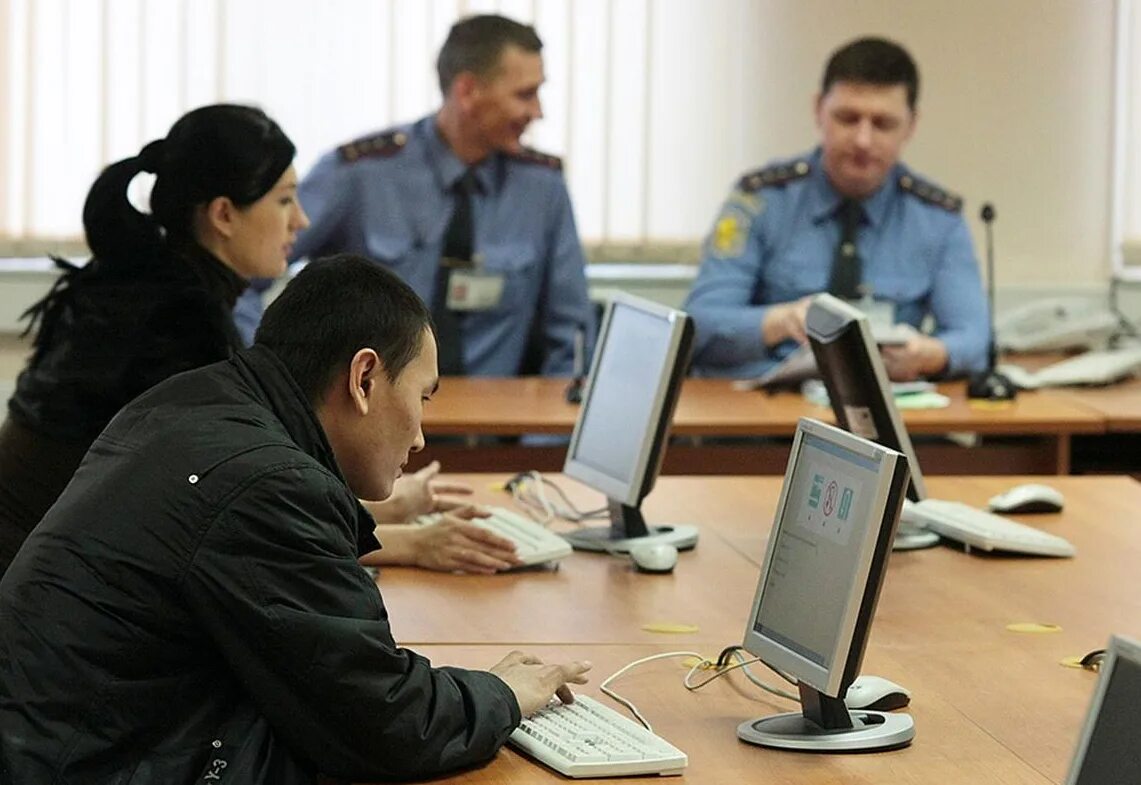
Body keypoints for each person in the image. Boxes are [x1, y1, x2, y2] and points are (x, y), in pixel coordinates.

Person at [0, 255, 592, 783]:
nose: (419, 435)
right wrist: (504, 694)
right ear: (363, 379)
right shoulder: (274, 485)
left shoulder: (189, 401)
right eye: (423, 397)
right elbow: (388, 720)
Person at [0, 104, 307, 577]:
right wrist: (396, 538)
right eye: (284, 201)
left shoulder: (143, 286)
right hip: (39, 587)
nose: (301, 222)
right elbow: (220, 516)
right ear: (224, 214)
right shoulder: (179, 327)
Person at [235, 13, 596, 377]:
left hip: (497, 428)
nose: (537, 112)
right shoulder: (359, 174)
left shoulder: (542, 188)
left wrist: (547, 433)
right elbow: (240, 277)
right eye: (524, 95)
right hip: (365, 424)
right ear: (468, 91)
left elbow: (571, 336)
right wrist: (270, 384)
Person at [684, 36, 988, 382]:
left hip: (884, 422)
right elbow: (700, 324)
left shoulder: (937, 218)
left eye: (882, 124)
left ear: (911, 125)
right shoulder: (760, 200)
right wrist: (781, 321)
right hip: (762, 419)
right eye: (847, 118)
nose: (863, 140)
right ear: (818, 110)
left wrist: (929, 355)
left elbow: (975, 339)